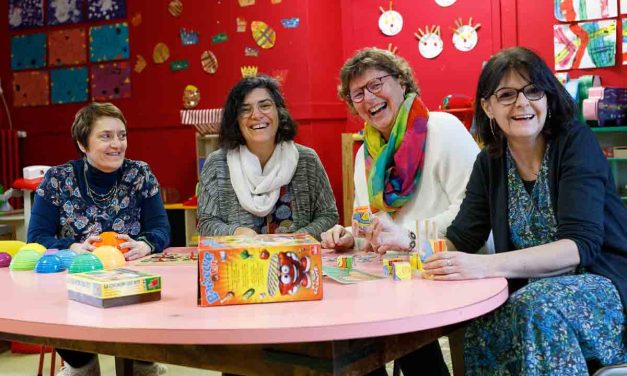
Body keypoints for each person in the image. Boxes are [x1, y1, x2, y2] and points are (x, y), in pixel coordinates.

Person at [377, 47, 627, 374]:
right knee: (482, 321)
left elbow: (580, 246)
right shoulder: (490, 162)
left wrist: (486, 266)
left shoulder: (574, 143)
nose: (522, 103)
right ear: (488, 106)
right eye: (507, 94)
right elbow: (463, 238)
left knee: (537, 309)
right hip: (531, 292)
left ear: (548, 98)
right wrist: (410, 244)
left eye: (533, 91)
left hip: (603, 287)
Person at [321, 48, 480, 376]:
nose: (369, 98)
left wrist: (409, 236)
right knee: (355, 343)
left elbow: (474, 215)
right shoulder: (367, 151)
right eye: (358, 94)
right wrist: (348, 235)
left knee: (396, 333)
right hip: (400, 277)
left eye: (377, 84)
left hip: (453, 266)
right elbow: (368, 223)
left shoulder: (443, 128)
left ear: (402, 83)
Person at [28, 102, 170, 376]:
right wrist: (73, 247)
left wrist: (144, 244)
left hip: (131, 285)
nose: (117, 144)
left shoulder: (140, 174)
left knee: (140, 360)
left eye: (122, 135)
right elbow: (36, 238)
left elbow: (161, 229)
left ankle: (142, 363)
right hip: (75, 288)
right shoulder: (57, 179)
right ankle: (81, 365)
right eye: (106, 136)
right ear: (83, 143)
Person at [197, 75, 338, 240]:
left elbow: (328, 216)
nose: (256, 115)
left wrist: (295, 240)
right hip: (240, 263)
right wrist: (236, 233)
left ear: (279, 112)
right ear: (235, 120)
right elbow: (205, 223)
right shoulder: (216, 164)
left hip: (296, 261)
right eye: (245, 109)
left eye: (264, 105)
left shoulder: (307, 160)